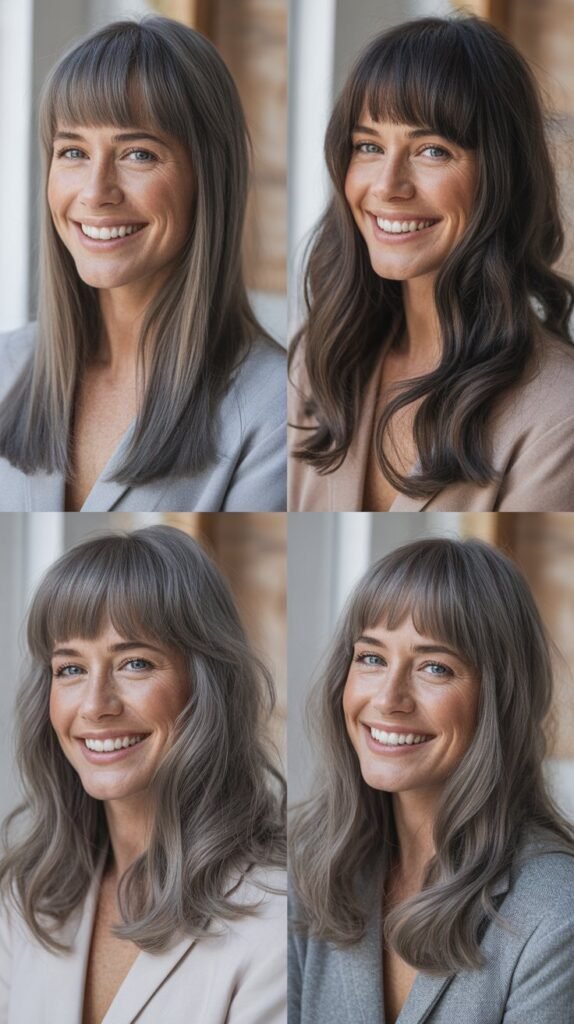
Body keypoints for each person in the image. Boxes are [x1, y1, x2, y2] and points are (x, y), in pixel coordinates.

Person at [0, 525, 286, 1023]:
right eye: (70, 669)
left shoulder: (281, 916)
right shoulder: (23, 899)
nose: (94, 706)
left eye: (134, 663)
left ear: (205, 684)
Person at [288, 15, 574, 511]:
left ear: (502, 175)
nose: (387, 185)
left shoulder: (558, 416)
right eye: (369, 146)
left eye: (432, 150)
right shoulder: (321, 359)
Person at [0, 16, 286, 511]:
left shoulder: (280, 410)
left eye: (137, 154)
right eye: (73, 151)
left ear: (208, 176)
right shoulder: (5, 367)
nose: (95, 192)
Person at [289, 537, 574, 1023]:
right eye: (372, 658)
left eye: (435, 667)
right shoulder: (307, 863)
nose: (388, 698)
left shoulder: (556, 911)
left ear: (500, 698)